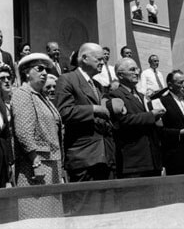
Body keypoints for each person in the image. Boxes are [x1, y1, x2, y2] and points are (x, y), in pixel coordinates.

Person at [12, 53, 63, 219]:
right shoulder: (23, 93)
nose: (44, 73)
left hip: (52, 165)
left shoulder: (41, 96)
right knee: (37, 214)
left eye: (46, 70)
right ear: (27, 72)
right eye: (39, 68)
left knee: (52, 214)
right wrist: (35, 161)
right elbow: (23, 130)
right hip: (36, 167)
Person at [55, 43, 116, 182]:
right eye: (98, 59)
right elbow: (63, 111)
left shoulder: (97, 85)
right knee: (85, 202)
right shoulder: (67, 79)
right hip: (83, 157)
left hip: (105, 156)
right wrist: (94, 109)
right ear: (84, 58)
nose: (103, 62)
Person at [106, 57, 164, 178]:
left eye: (137, 69)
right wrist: (151, 115)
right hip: (134, 162)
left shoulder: (142, 96)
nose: (137, 72)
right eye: (132, 70)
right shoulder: (115, 95)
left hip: (153, 160)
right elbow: (123, 120)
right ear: (120, 75)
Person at [0, 63, 14, 188]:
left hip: (15, 155)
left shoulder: (15, 101)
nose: (6, 81)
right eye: (2, 78)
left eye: (8, 78)